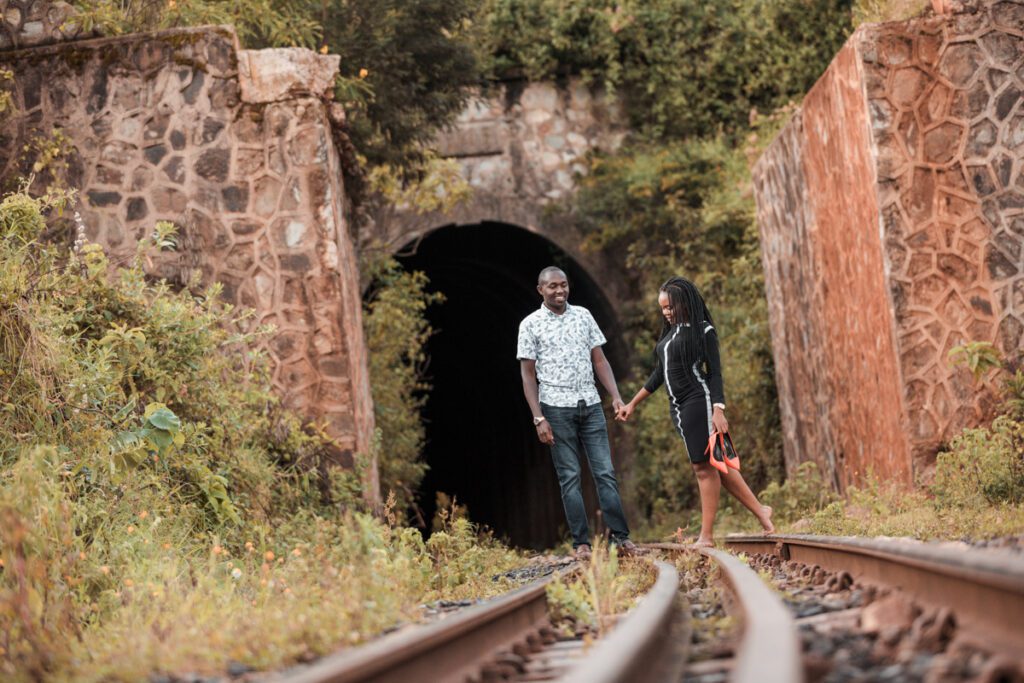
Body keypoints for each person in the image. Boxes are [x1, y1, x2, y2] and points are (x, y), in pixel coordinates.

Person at [616, 276, 774, 547]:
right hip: (677, 407)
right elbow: (660, 373)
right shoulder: (669, 332)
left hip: (698, 402)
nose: (666, 313)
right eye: (663, 308)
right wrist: (633, 403)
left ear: (684, 303)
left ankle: (707, 536)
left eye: (670, 307)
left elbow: (714, 374)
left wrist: (718, 409)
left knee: (703, 468)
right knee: (716, 465)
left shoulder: (703, 330)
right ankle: (762, 512)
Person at [517, 266, 642, 560]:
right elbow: (527, 375)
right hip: (555, 409)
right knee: (570, 476)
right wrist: (538, 417)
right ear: (541, 290)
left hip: (591, 404)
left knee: (605, 473)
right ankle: (581, 543)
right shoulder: (530, 325)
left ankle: (620, 539)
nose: (559, 291)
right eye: (552, 287)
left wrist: (615, 396)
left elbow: (599, 361)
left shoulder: (584, 316)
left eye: (563, 285)